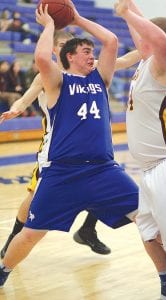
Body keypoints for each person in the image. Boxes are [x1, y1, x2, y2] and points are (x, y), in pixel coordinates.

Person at [0, 17, 166, 300]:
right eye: (86, 51)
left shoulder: (100, 78)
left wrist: (76, 18)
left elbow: (112, 42)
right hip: (63, 172)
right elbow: (41, 56)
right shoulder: (54, 80)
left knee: (149, 222)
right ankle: (3, 270)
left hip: (104, 171)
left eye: (92, 51)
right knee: (30, 234)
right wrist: (50, 23)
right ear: (69, 56)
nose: (92, 55)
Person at [115, 0, 166, 299]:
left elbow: (160, 39)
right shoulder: (145, 61)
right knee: (155, 234)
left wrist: (127, 13)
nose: (140, 41)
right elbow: (147, 38)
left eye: (145, 36)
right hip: (150, 167)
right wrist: (130, 10)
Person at [0, 30, 111, 257]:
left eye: (69, 44)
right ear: (53, 48)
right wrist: (16, 108)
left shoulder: (89, 68)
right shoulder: (48, 74)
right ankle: (13, 239)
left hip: (89, 142)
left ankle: (88, 229)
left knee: (106, 182)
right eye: (61, 44)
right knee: (34, 195)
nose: (65, 47)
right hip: (57, 146)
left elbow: (121, 60)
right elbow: (27, 96)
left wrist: (151, 45)